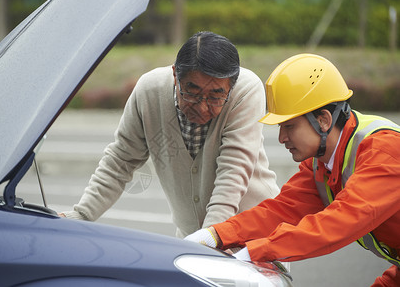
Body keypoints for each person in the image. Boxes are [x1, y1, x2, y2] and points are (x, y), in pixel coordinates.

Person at [185, 53, 400, 286]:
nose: (281, 138)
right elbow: (279, 212)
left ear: (324, 120)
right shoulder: (321, 163)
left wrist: (250, 254)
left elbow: (340, 220)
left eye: (289, 125)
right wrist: (214, 235)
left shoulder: (384, 151)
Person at [60, 31, 280, 238]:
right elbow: (120, 161)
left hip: (255, 232)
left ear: (231, 87)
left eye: (215, 97)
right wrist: (81, 216)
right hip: (194, 238)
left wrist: (209, 239)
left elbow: (233, 173)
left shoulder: (246, 91)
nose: (202, 107)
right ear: (175, 75)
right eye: (192, 93)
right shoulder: (149, 91)